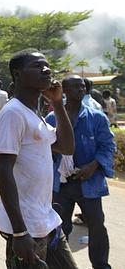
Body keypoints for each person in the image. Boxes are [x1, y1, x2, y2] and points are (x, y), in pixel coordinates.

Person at [0, 49, 77, 268]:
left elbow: (67, 147)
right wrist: (20, 232)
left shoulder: (34, 114)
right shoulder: (13, 113)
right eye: (37, 66)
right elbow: (3, 170)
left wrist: (58, 104)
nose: (46, 69)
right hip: (26, 227)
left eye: (47, 65)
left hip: (47, 222)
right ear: (18, 75)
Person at [46, 75, 115, 269]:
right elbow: (45, 147)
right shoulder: (52, 118)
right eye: (75, 86)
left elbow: (108, 145)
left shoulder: (97, 117)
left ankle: (101, 265)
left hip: (89, 183)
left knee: (97, 227)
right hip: (61, 183)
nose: (81, 89)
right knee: (59, 228)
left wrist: (93, 166)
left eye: (83, 86)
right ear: (64, 91)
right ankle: (59, 265)